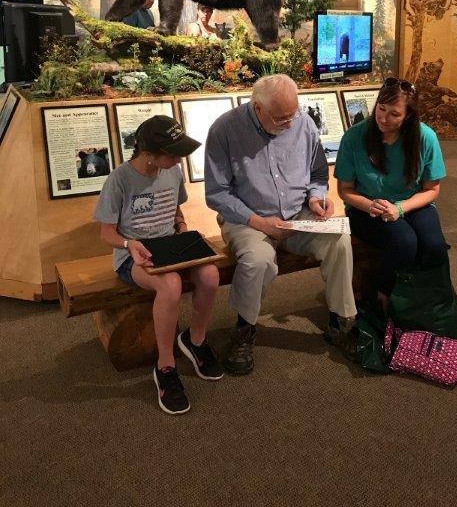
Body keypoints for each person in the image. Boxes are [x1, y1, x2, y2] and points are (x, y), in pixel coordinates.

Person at [204, 74, 358, 375]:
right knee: (258, 260)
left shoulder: (303, 122)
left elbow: (317, 174)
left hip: (298, 213)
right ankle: (244, 329)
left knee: (339, 240)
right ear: (257, 107)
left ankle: (342, 322)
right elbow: (216, 193)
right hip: (246, 217)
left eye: (292, 114)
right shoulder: (224, 129)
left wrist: (316, 198)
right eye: (280, 118)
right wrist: (258, 221)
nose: (289, 123)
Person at [93, 115, 223, 415]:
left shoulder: (172, 172)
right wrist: (129, 244)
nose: (179, 161)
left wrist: (181, 225)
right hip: (133, 254)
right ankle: (165, 365)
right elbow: (106, 233)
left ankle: (195, 340)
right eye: (173, 154)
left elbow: (174, 207)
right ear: (149, 154)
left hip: (169, 244)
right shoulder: (119, 180)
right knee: (170, 284)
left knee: (210, 274)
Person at [334, 77, 457, 345]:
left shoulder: (425, 137)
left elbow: (432, 190)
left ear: (409, 116)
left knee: (434, 245)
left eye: (394, 113)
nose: (383, 118)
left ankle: (440, 309)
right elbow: (346, 190)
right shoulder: (356, 136)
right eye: (381, 109)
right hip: (367, 208)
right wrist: (371, 204)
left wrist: (400, 208)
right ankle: (385, 299)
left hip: (411, 202)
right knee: (404, 242)